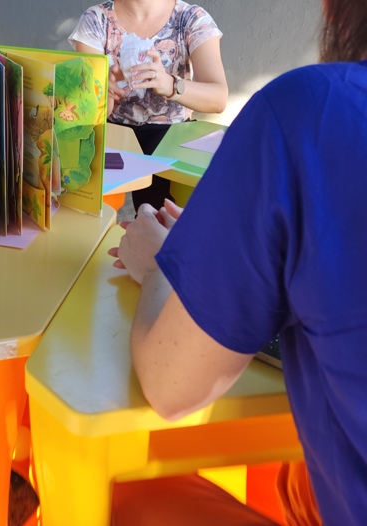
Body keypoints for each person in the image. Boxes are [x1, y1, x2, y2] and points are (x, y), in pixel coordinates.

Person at [110, 0, 367, 522]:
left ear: (334, 11)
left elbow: (170, 386)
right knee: (296, 483)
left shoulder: (307, 110)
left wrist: (162, 266)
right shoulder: (101, 18)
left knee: (117, 496)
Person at [69, 0, 228, 211]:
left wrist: (171, 85)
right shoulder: (96, 19)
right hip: (112, 130)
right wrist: (106, 92)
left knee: (159, 218)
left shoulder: (191, 19)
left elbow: (218, 98)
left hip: (170, 133)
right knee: (93, 211)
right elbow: (89, 116)